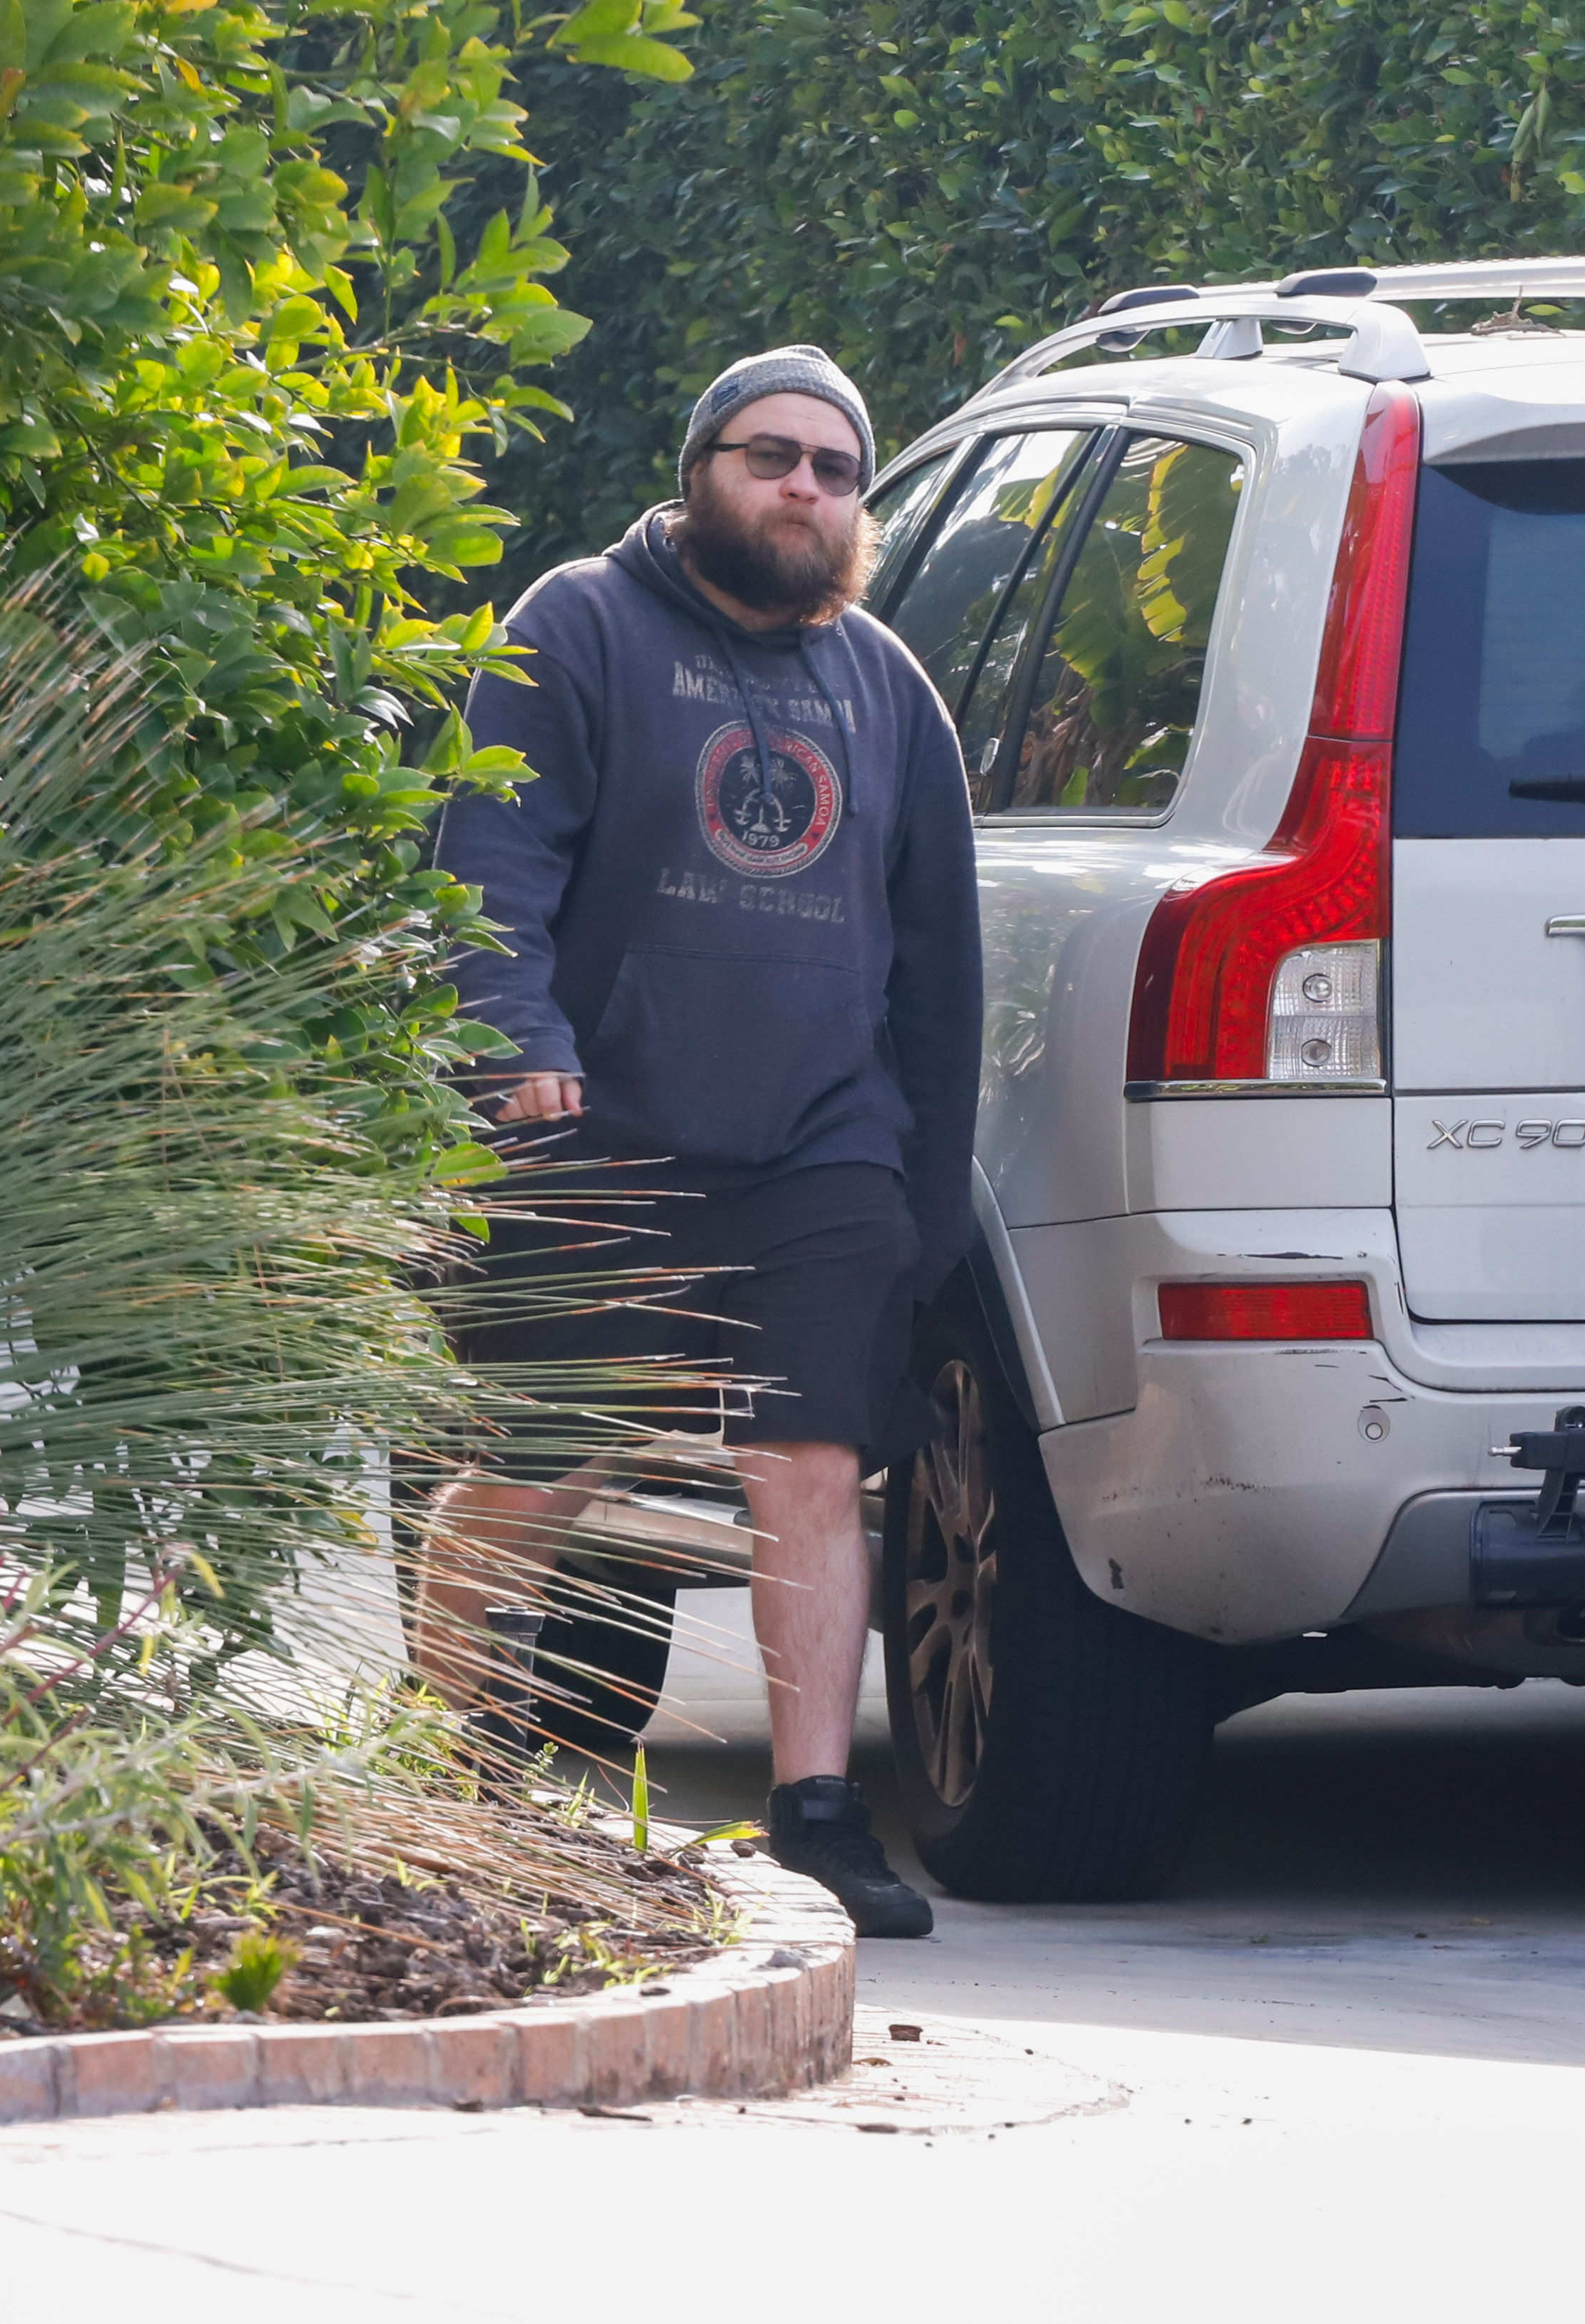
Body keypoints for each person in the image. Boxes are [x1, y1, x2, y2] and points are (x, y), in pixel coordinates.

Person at [429, 345, 982, 1937]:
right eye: (769, 456)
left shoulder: (883, 684)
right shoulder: (578, 626)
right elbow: (490, 858)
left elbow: (938, 964)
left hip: (818, 1142)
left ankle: (814, 1812)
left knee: (808, 1464)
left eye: (833, 467)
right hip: (601, 1126)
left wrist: (920, 1188)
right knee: (540, 1466)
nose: (801, 487)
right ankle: (449, 1770)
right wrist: (516, 1040)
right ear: (700, 469)